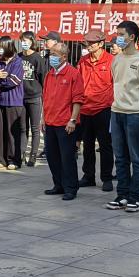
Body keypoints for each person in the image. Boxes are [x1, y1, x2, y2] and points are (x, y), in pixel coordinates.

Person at [105, 21, 139, 213]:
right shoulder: (117, 59)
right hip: (117, 112)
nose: (118, 37)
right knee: (120, 157)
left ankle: (135, 197)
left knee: (137, 158)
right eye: (117, 34)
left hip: (136, 114)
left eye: (121, 34)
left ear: (132, 37)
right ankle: (122, 195)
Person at [42, 42, 85, 200]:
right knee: (52, 156)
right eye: (51, 53)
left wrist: (72, 120)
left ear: (64, 57)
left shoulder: (73, 74)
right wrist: (43, 119)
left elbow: (78, 99)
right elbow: (45, 98)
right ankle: (58, 184)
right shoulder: (49, 74)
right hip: (50, 121)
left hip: (65, 123)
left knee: (67, 157)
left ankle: (71, 188)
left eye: (54, 54)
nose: (51, 56)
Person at [77, 30, 114, 191]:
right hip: (85, 109)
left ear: (101, 44)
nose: (89, 45)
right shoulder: (83, 61)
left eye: (92, 42)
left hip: (104, 108)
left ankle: (107, 178)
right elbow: (78, 83)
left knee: (105, 145)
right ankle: (88, 176)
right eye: (88, 42)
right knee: (87, 145)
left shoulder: (111, 61)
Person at [0, 36, 25, 170]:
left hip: (14, 101)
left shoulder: (17, 62)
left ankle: (14, 160)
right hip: (0, 100)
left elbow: (13, 81)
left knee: (12, 133)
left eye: (1, 47)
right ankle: (1, 159)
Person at [19, 31, 47, 167]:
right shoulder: (18, 57)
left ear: (32, 42)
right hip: (21, 97)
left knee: (35, 128)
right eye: (22, 40)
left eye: (26, 40)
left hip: (35, 97)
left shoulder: (37, 58)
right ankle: (21, 154)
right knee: (22, 128)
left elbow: (43, 79)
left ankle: (33, 156)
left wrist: (43, 97)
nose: (24, 43)